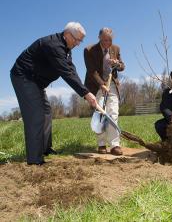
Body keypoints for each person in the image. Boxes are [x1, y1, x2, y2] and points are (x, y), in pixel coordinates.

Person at [10, 22, 97, 165]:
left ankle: (45, 149)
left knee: (46, 112)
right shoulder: (54, 46)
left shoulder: (66, 48)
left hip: (36, 82)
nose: (78, 43)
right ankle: (34, 160)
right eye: (77, 39)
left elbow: (72, 69)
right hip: (24, 77)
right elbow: (66, 72)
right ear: (68, 34)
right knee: (35, 116)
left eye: (80, 40)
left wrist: (86, 91)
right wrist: (86, 94)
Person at [84, 27, 125, 155]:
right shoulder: (89, 50)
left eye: (110, 40)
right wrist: (101, 84)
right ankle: (101, 144)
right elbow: (92, 71)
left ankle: (114, 145)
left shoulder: (116, 49)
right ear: (99, 38)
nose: (108, 42)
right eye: (105, 39)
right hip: (97, 85)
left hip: (112, 84)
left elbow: (122, 66)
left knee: (113, 113)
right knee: (100, 113)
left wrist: (117, 64)